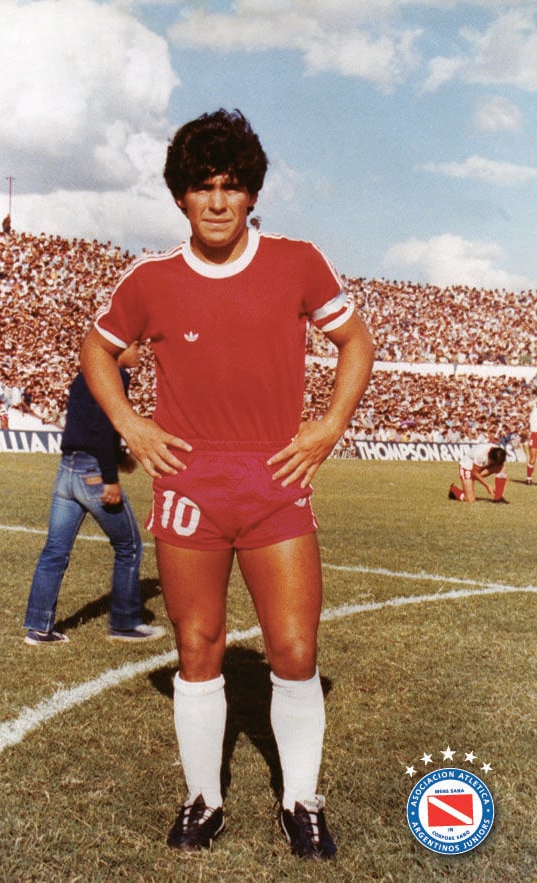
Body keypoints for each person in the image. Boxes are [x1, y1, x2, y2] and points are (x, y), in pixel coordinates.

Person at [80, 108, 374, 860]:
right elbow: (97, 347)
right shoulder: (150, 278)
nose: (217, 200)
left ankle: (301, 799)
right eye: (202, 186)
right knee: (199, 645)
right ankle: (203, 798)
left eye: (232, 185)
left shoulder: (297, 261)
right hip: (189, 482)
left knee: (295, 647)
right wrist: (132, 427)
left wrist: (327, 425)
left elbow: (354, 339)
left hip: (275, 477)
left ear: (251, 195)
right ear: (181, 196)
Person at [23, 342, 166, 646]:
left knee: (54, 551)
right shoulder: (116, 375)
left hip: (67, 469)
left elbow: (90, 424)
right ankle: (125, 623)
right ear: (119, 348)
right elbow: (103, 427)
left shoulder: (83, 372)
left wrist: (119, 456)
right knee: (129, 546)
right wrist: (111, 477)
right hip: (93, 474)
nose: (141, 351)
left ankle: (38, 627)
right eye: (137, 345)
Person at [526, 398, 537, 485]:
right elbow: (528, 405)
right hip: (534, 434)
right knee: (533, 459)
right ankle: (528, 478)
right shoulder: (534, 408)